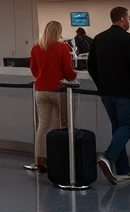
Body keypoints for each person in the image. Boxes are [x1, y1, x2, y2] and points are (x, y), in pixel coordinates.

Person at [87, 6, 130, 185]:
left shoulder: (99, 39)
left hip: (106, 92)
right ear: (122, 19)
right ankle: (108, 157)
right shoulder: (129, 39)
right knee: (127, 125)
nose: (129, 21)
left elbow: (91, 66)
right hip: (125, 91)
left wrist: (101, 84)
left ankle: (124, 169)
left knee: (118, 127)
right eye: (128, 17)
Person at [29, 20, 78, 172]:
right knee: (64, 125)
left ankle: (40, 159)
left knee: (43, 125)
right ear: (59, 31)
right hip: (59, 90)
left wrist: (43, 78)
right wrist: (74, 75)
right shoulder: (62, 47)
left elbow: (34, 70)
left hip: (41, 91)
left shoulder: (37, 47)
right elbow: (68, 71)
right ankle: (61, 157)